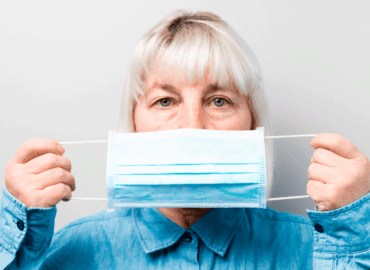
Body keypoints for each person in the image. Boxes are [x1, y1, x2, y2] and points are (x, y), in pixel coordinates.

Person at [1, 10, 370, 269]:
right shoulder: (70, 253)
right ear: (134, 121)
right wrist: (16, 239)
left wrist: (355, 231)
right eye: (165, 101)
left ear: (252, 123)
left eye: (219, 100)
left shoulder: (315, 251)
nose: (192, 125)